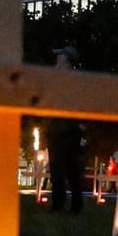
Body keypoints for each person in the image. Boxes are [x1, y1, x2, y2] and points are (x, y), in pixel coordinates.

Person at [44, 47, 85, 214]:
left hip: (61, 128)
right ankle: (75, 204)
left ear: (66, 59)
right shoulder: (77, 79)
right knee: (71, 168)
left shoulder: (61, 78)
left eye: (59, 56)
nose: (56, 58)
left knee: (59, 167)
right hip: (70, 128)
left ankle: (59, 203)